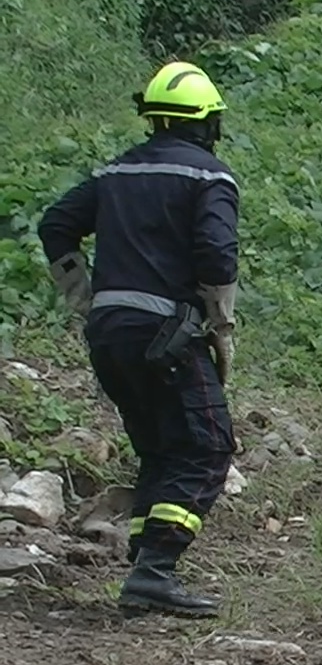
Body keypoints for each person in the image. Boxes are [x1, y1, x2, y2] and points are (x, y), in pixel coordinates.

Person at [37, 61, 240, 618]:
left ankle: (144, 568)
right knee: (207, 446)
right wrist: (221, 327)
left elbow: (55, 224)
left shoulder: (115, 172)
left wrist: (84, 296)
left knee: (161, 448)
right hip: (166, 338)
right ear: (205, 123)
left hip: (109, 336)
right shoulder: (210, 178)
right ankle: (156, 569)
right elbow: (218, 257)